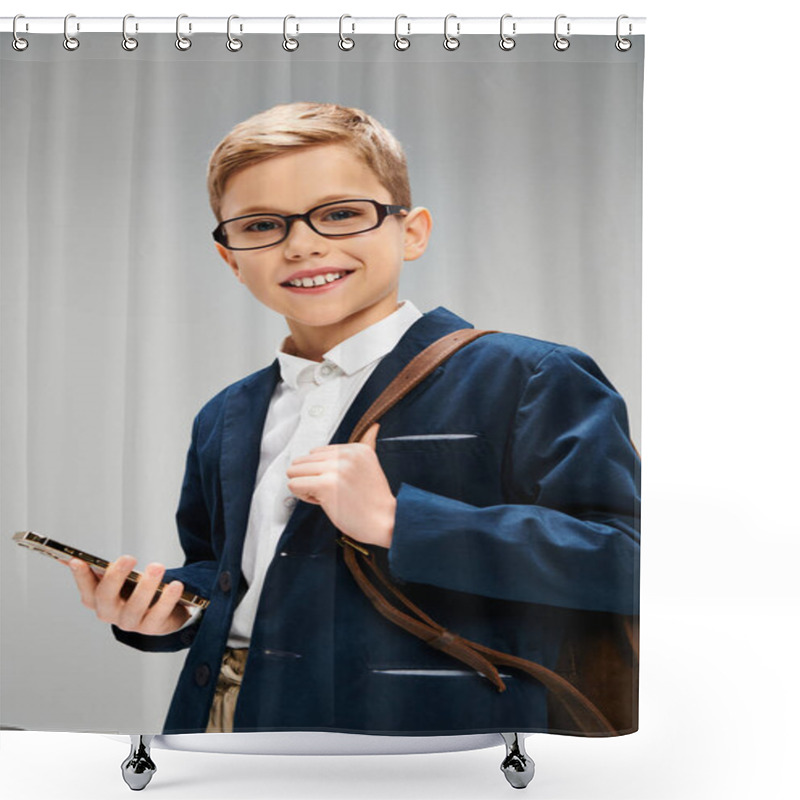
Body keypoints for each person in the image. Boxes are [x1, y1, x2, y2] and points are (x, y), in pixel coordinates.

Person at [68, 102, 640, 736]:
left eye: (341, 214)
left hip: (427, 742)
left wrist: (399, 521)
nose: (303, 244)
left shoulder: (529, 376)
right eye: (261, 225)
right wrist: (167, 608)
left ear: (412, 231)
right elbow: (229, 571)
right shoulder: (224, 415)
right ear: (231, 258)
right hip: (224, 723)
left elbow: (630, 562)